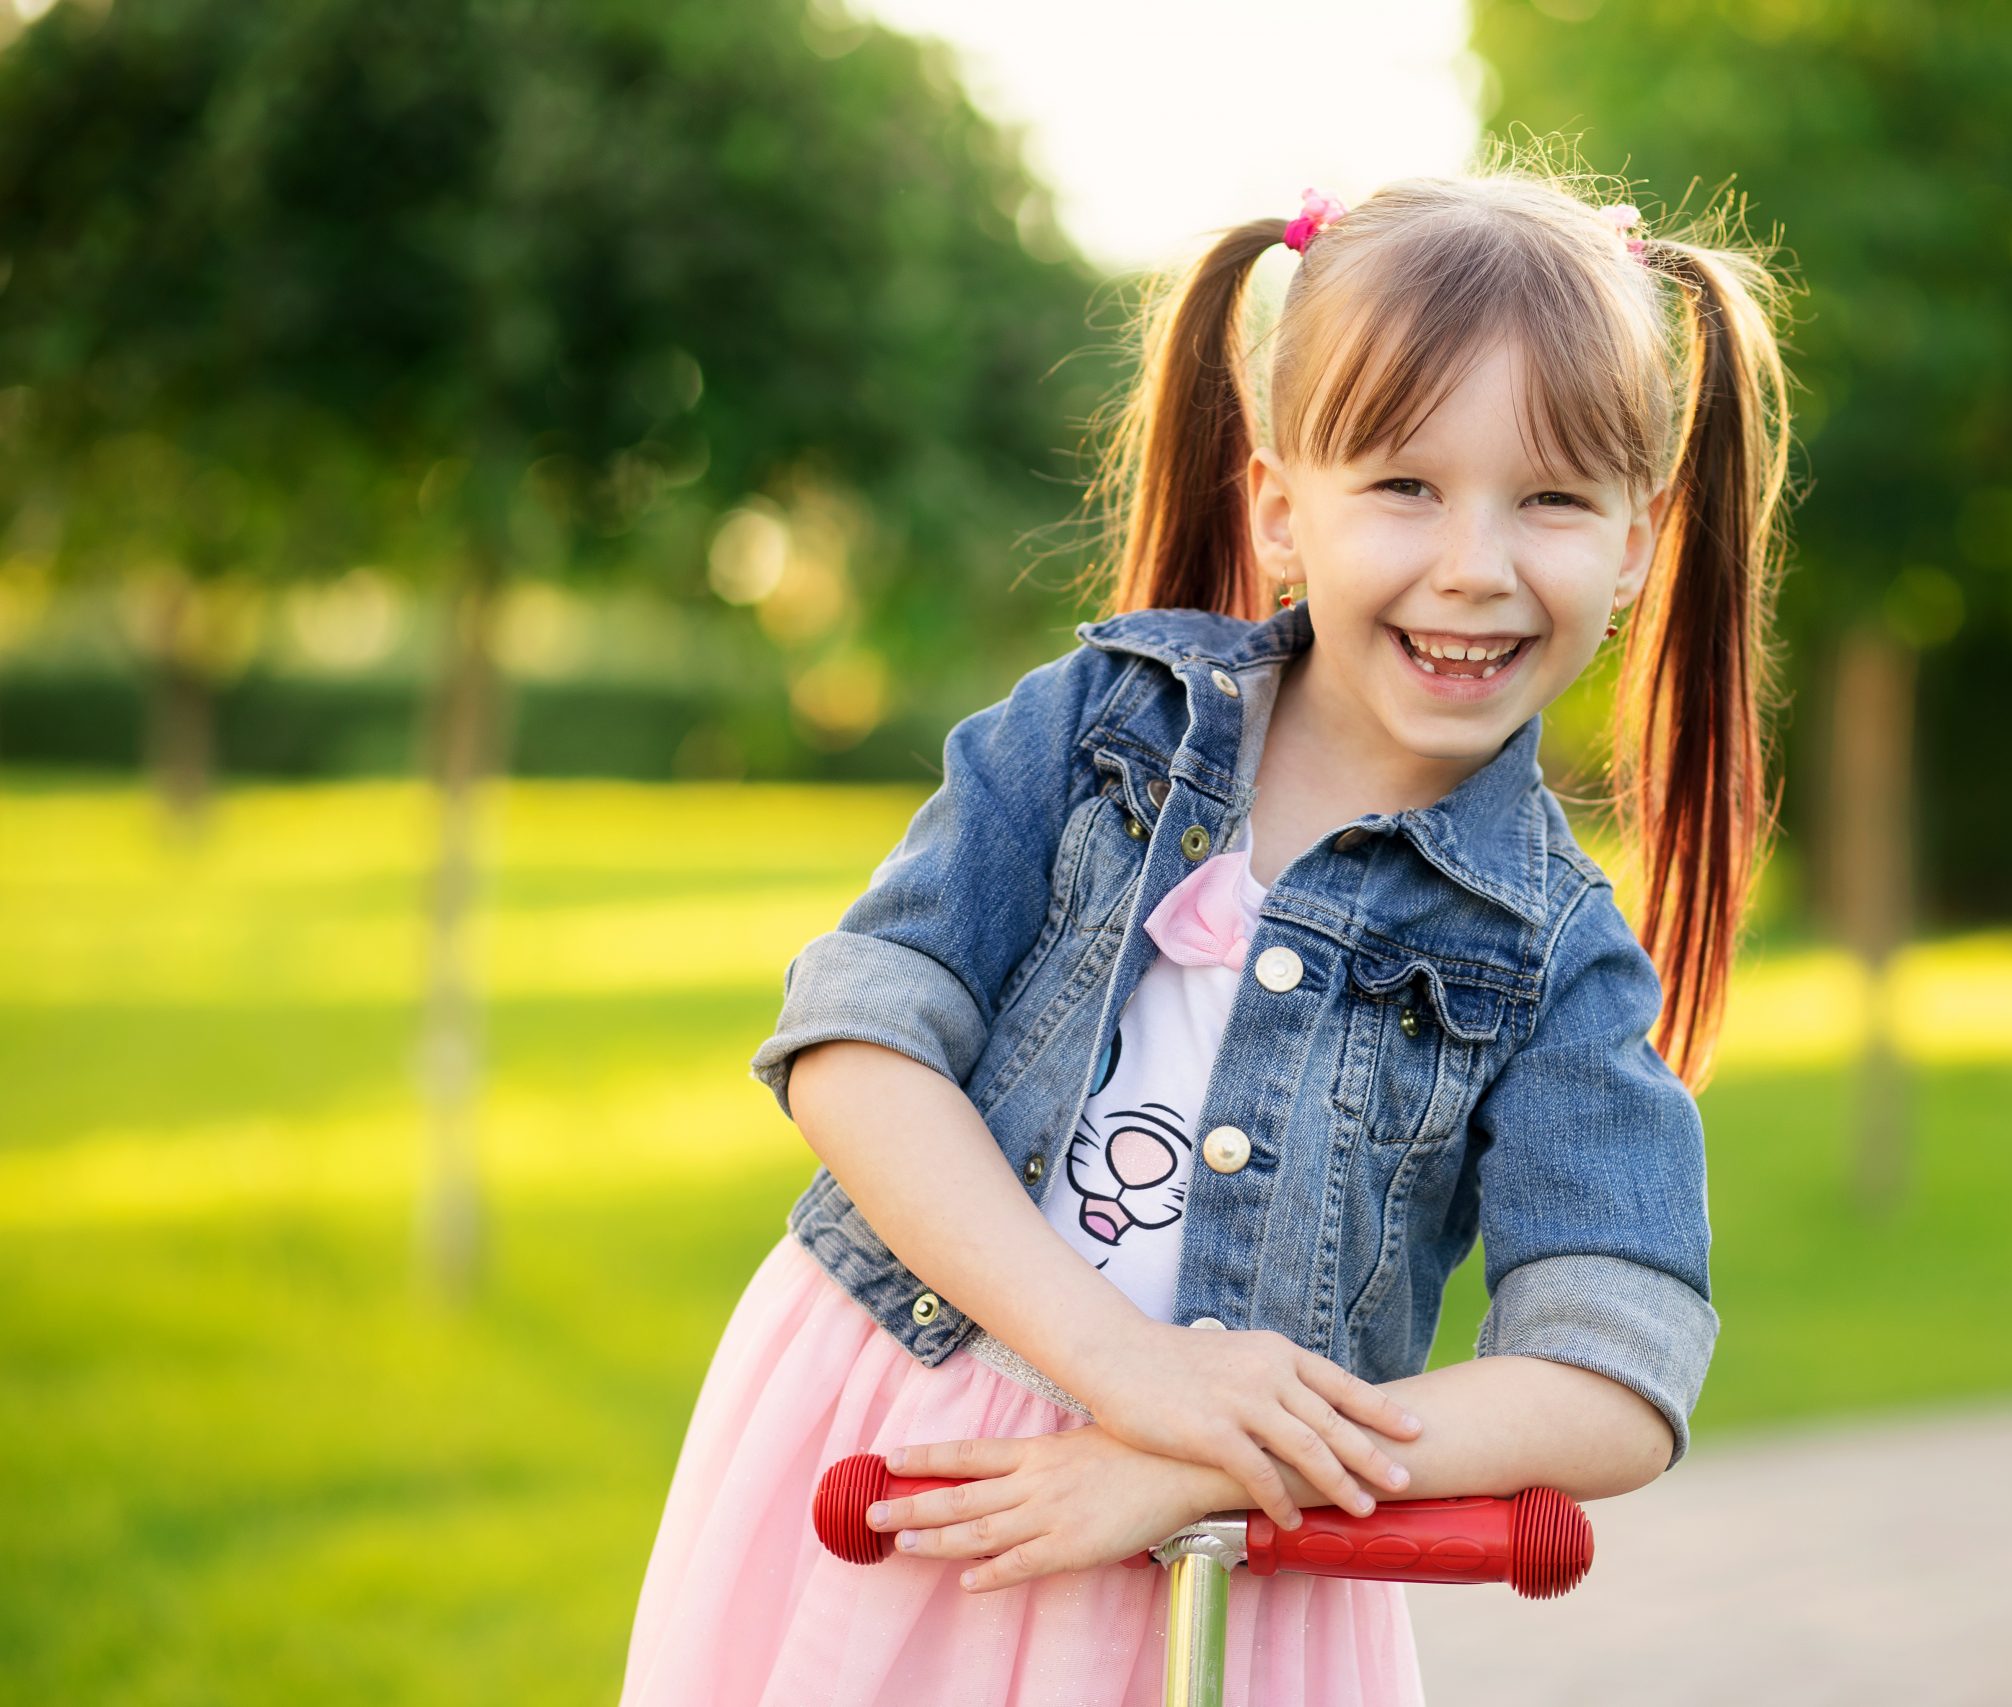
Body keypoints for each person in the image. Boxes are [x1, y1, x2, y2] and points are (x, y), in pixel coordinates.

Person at [618, 150, 1797, 1706]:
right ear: (1280, 505)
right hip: (906, 1463)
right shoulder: (1100, 730)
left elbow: (1616, 1374)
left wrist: (1218, 1468)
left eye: (1554, 501)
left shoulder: (1555, 954)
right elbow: (852, 1050)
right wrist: (1133, 1376)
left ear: (1638, 541)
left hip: (1234, 1573)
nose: (1478, 565)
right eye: (1405, 485)